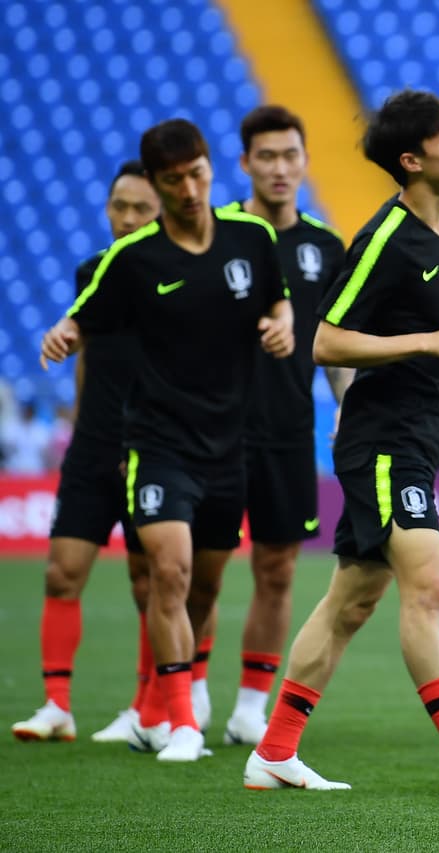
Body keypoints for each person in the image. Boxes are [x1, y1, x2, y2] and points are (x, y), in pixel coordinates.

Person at [242, 89, 439, 793]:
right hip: (386, 440)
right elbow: (326, 337)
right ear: (411, 159)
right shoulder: (385, 237)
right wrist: (430, 339)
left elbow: (417, 305)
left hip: (415, 436)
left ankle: (273, 750)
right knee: (426, 583)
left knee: (352, 600)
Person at [39, 118, 294, 763]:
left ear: (211, 168)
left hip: (227, 448)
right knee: (169, 575)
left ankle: (155, 709)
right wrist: (63, 333)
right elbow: (83, 310)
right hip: (156, 445)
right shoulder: (134, 259)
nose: (188, 187)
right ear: (157, 183)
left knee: (204, 589)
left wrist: (282, 325)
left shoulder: (253, 237)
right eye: (174, 179)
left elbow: (279, 300)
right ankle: (182, 723)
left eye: (197, 173)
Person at [214, 105, 351, 746]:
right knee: (197, 571)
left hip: (289, 429)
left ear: (303, 160)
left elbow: (338, 344)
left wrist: (347, 409)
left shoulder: (325, 248)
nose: (278, 167)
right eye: (264, 156)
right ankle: (177, 700)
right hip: (209, 432)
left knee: (277, 570)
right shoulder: (213, 235)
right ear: (245, 163)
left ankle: (248, 705)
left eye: (288, 155)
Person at [12, 161, 158, 744]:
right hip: (95, 443)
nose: (125, 218)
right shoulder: (92, 272)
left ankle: (148, 708)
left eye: (140, 208)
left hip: (153, 446)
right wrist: (82, 428)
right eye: (118, 205)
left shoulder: (180, 277)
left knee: (151, 584)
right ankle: (57, 705)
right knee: (60, 573)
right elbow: (90, 357)